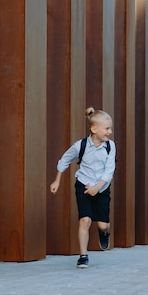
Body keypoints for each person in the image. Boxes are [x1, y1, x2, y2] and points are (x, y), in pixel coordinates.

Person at [50, 107, 116, 269]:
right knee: (85, 220)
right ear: (94, 129)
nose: (110, 132)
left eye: (110, 128)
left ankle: (104, 232)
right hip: (83, 185)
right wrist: (57, 181)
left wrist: (97, 187)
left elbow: (109, 170)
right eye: (107, 129)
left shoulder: (110, 146)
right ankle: (83, 256)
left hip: (101, 188)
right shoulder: (81, 145)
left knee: (102, 224)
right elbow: (64, 160)